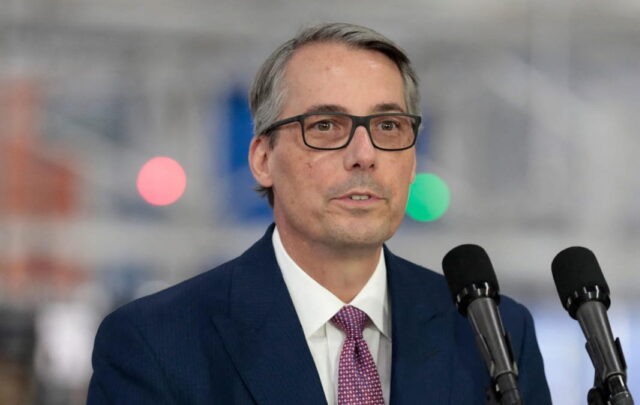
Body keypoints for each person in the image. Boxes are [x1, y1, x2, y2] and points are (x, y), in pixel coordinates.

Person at [87, 22, 552, 405]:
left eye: (388, 126)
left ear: (412, 163)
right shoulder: (156, 343)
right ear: (263, 159)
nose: (364, 155)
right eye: (326, 125)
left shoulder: (493, 333)